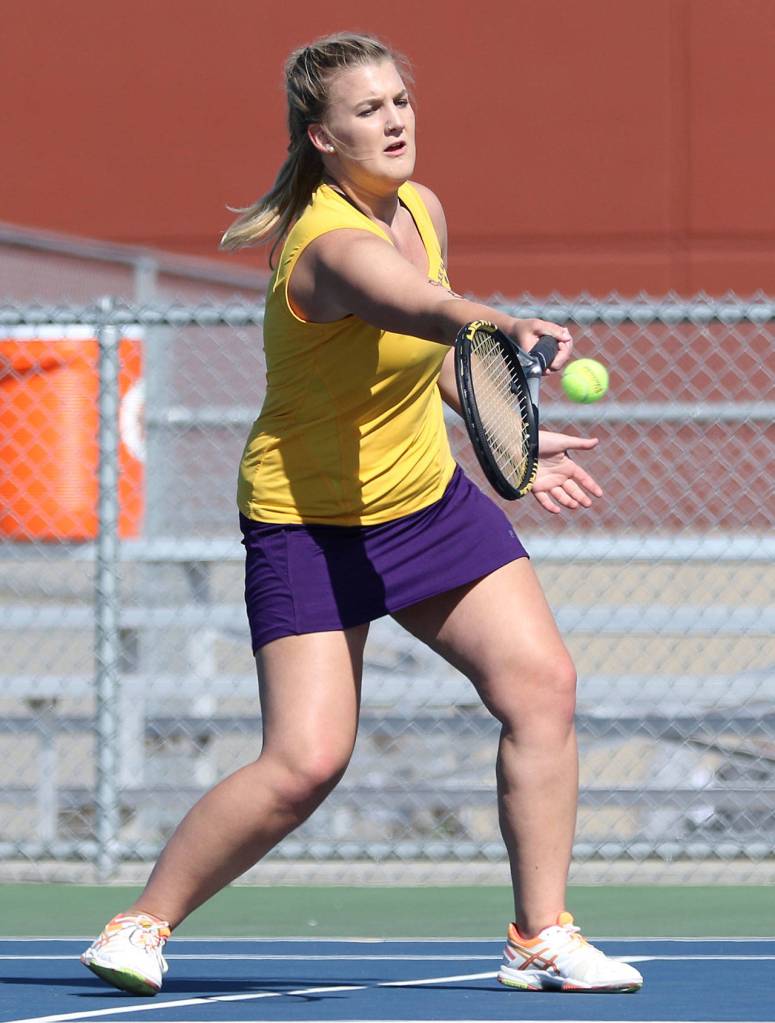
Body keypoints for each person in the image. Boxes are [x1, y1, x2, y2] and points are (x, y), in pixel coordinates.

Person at [80, 32, 643, 997]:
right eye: (368, 109)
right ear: (321, 135)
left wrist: (507, 432)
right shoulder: (326, 245)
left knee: (541, 685)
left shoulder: (419, 208)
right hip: (307, 521)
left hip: (425, 501)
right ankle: (141, 922)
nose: (393, 120)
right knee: (305, 762)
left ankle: (539, 935)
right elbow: (419, 312)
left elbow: (426, 367)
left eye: (401, 101)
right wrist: (500, 323)